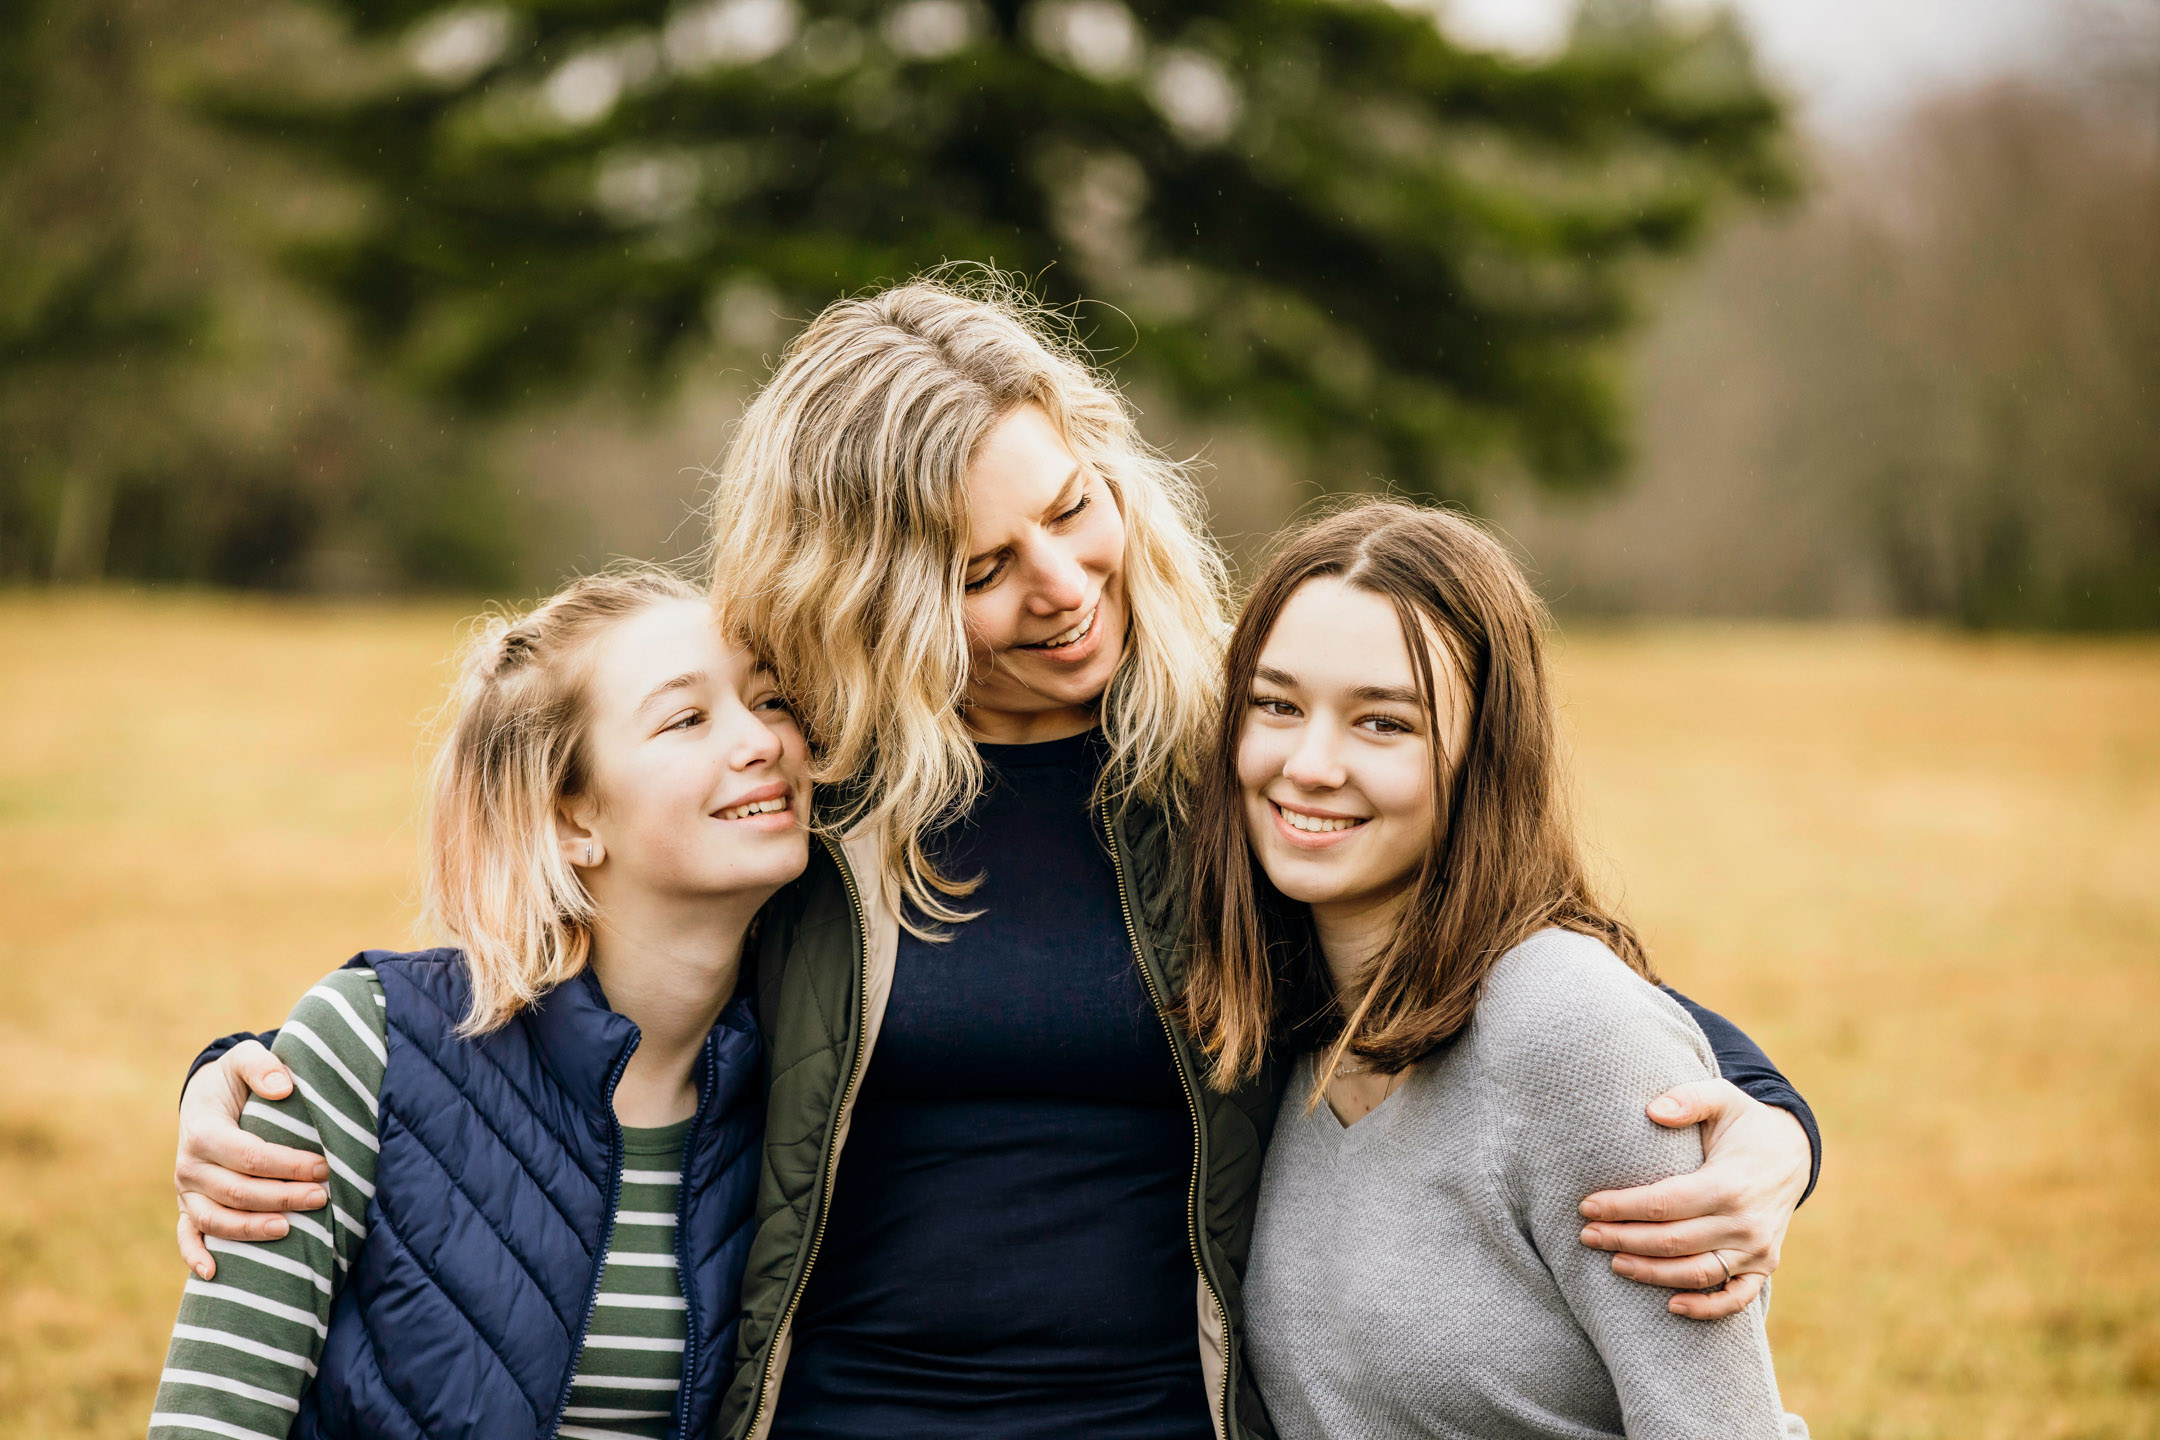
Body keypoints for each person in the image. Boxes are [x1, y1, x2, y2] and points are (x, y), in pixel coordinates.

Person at [168, 275, 1820, 1440]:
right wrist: (242, 1070)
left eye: (1072, 505)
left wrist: (1764, 1126)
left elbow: (1503, 963)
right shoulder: (803, 789)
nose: (1062, 581)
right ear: (865, 604)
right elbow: (546, 982)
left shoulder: (1230, 764)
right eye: (979, 569)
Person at [1186, 500, 1807, 1438]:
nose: (1309, 764)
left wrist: (1787, 1132)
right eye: (1277, 705)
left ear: (1486, 757)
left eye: (1383, 723)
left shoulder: (1572, 1030)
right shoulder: (1282, 1030)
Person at [149, 570, 799, 1440]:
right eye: (687, 719)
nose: (761, 741)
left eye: (772, 700)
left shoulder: (810, 1082)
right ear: (572, 818)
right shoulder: (364, 1046)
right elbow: (215, 1422)